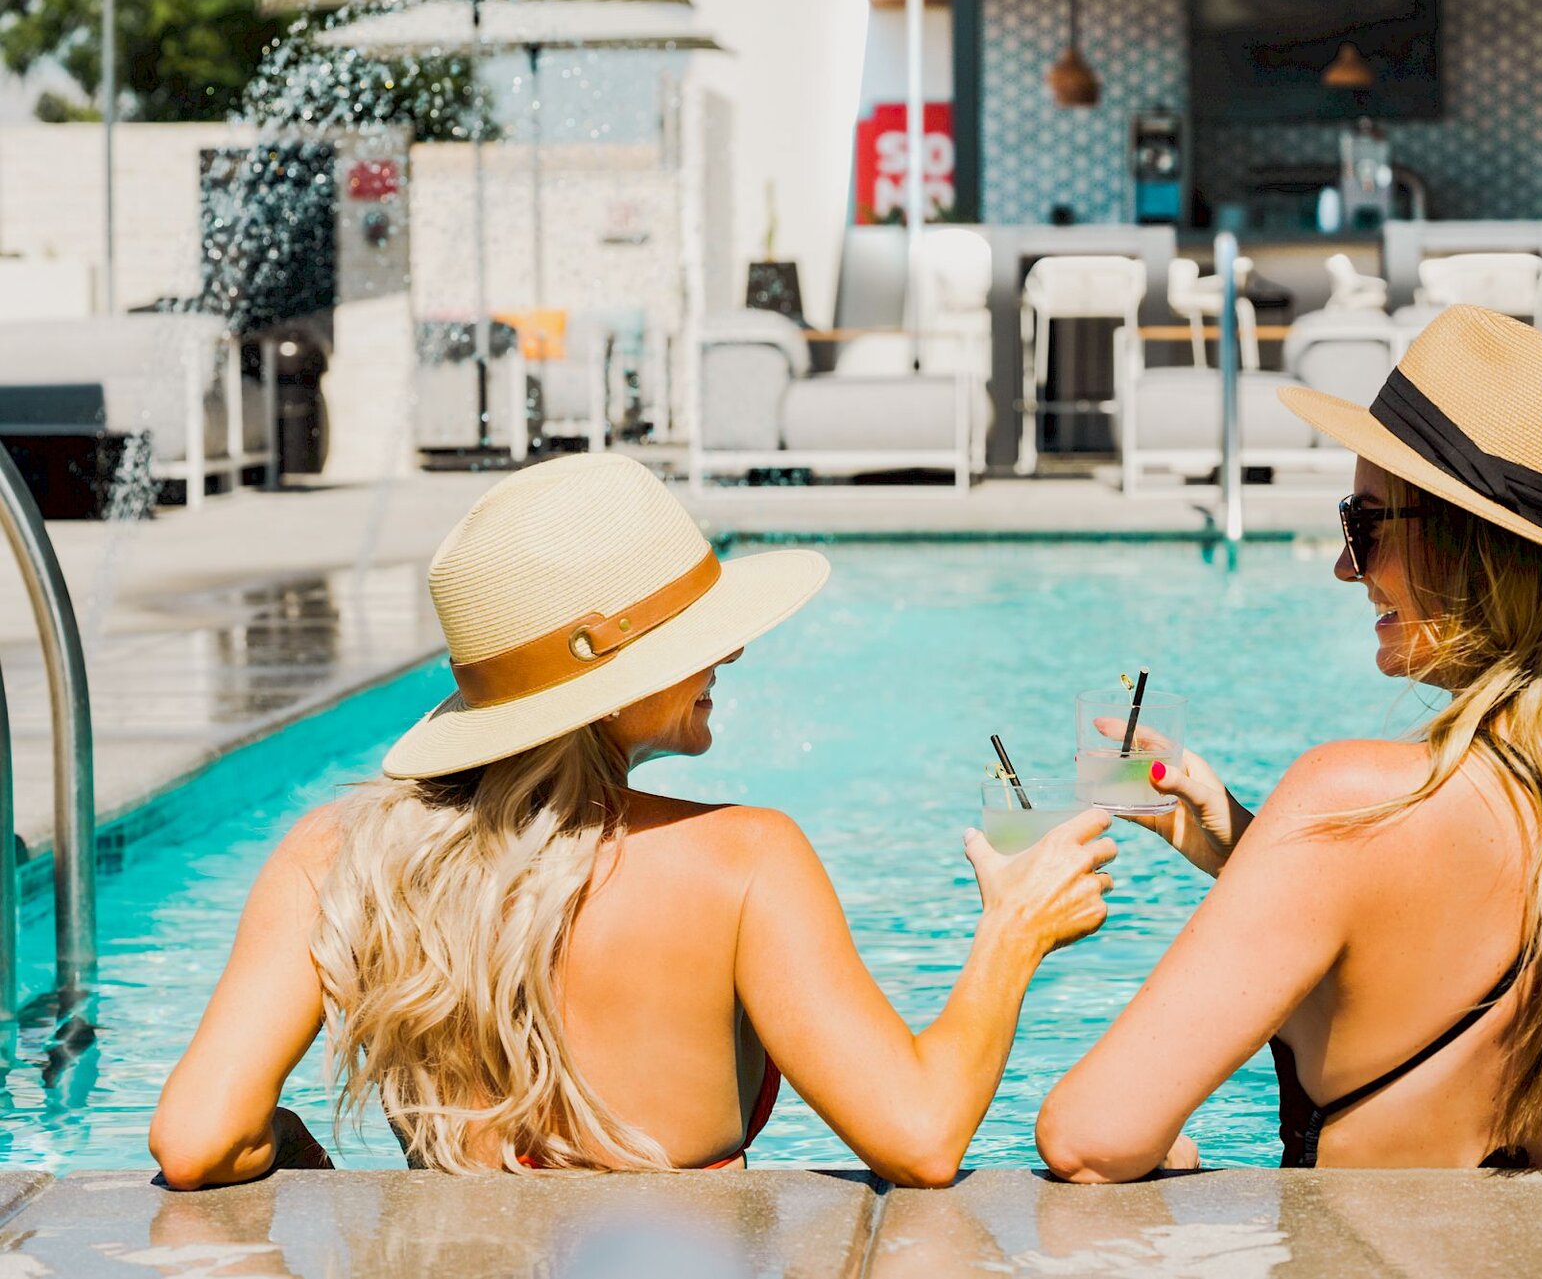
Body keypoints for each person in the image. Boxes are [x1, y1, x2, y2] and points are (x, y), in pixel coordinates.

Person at [151, 454, 1115, 1187]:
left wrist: (298, 1156)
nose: (730, 650)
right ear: (607, 690)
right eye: (695, 638)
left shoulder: (337, 859)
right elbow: (922, 1135)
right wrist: (1014, 931)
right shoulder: (746, 863)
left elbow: (196, 1140)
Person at [1037, 305, 1542, 1178]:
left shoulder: (1346, 799)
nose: (1347, 565)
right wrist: (1251, 849)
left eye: (1366, 525)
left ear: (1475, 552)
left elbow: (1089, 1135)